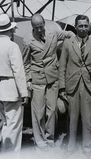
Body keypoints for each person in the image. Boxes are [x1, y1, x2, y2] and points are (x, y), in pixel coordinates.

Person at [22, 13, 74, 151]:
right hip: (38, 79)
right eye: (36, 28)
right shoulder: (28, 41)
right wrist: (28, 79)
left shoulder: (54, 34)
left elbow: (68, 34)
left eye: (41, 26)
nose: (39, 30)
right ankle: (40, 141)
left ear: (44, 24)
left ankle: (49, 138)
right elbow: (26, 63)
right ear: (32, 27)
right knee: (38, 112)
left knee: (51, 111)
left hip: (53, 78)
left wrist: (75, 40)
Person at [58, 15, 91, 158]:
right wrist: (62, 87)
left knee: (88, 118)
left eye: (86, 25)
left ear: (89, 26)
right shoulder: (68, 43)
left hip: (90, 86)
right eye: (80, 26)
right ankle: (71, 147)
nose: (83, 28)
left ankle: (87, 148)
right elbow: (62, 66)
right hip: (72, 86)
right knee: (72, 118)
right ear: (76, 26)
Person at [0, 13, 29, 154]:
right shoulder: (12, 46)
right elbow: (18, 71)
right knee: (13, 125)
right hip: (11, 90)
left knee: (2, 121)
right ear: (9, 30)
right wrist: (24, 93)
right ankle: (9, 154)